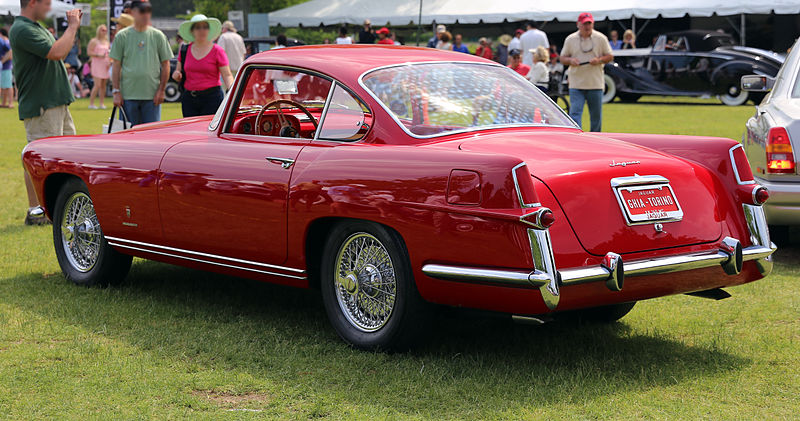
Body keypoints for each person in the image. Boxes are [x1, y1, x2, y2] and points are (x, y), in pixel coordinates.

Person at [10, 0, 81, 225]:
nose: (49, 8)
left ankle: (56, 207)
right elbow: (57, 52)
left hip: (55, 102)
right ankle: (36, 212)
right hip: (42, 105)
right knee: (39, 160)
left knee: (66, 158)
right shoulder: (22, 28)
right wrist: (72, 26)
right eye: (47, 3)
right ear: (33, 2)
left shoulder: (34, 27)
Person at [110, 0, 173, 126]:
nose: (146, 15)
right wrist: (116, 91)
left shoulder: (158, 35)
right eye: (142, 11)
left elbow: (166, 64)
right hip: (127, 96)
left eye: (148, 11)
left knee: (151, 136)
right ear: (133, 13)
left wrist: (161, 90)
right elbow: (116, 65)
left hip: (152, 96)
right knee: (128, 136)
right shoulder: (122, 36)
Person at [560, 12, 613, 132]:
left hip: (595, 84)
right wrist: (571, 60)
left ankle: (596, 139)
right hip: (576, 83)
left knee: (596, 116)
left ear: (593, 24)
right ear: (578, 24)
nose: (587, 26)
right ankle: (577, 139)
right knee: (575, 114)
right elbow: (562, 58)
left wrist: (599, 60)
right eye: (584, 24)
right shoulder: (571, 39)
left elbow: (610, 56)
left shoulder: (601, 38)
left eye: (589, 23)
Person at [172, 14, 234, 118]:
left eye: (205, 27)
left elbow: (227, 75)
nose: (202, 30)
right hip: (189, 99)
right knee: (191, 132)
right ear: (192, 31)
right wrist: (176, 75)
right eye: (198, 27)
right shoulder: (184, 50)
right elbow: (177, 72)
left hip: (212, 98)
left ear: (209, 30)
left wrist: (232, 92)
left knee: (208, 132)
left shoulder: (217, 50)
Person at [87, 24, 110, 109]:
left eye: (105, 30)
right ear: (98, 31)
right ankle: (91, 103)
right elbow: (89, 52)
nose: (104, 32)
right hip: (97, 64)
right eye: (102, 30)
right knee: (97, 85)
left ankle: (101, 103)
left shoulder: (107, 42)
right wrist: (98, 55)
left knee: (103, 85)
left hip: (105, 64)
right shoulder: (94, 41)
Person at [0, 27, 13, 108]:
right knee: (4, 85)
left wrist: (2, 61)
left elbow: (10, 53)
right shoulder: (5, 41)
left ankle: (10, 103)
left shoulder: (5, 41)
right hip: (4, 67)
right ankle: (4, 103)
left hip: (7, 66)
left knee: (8, 85)